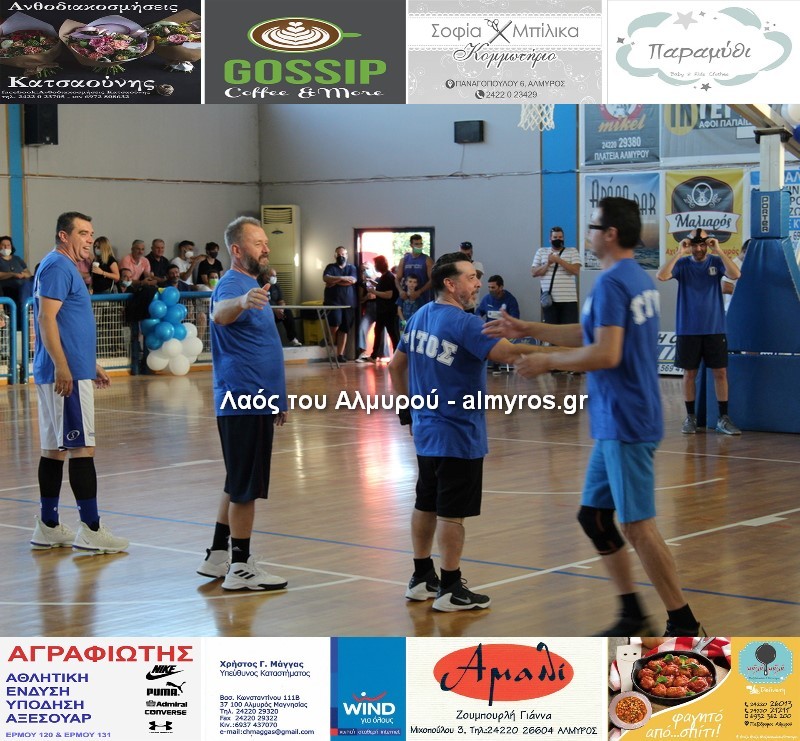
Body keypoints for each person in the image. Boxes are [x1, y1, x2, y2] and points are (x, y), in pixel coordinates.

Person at [484, 197, 703, 637]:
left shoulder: (613, 284)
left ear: (610, 234)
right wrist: (530, 329)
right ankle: (632, 615)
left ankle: (684, 625)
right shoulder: (632, 277)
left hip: (626, 419)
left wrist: (546, 361)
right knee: (595, 518)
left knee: (637, 525)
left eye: (593, 226)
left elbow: (605, 353)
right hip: (616, 420)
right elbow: (590, 332)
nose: (587, 233)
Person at [388, 252, 552, 612]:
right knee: (451, 514)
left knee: (425, 503)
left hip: (427, 431)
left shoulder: (419, 317)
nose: (478, 283)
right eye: (470, 277)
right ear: (450, 284)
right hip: (458, 433)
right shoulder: (466, 323)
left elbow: (395, 367)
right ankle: (450, 588)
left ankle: (421, 577)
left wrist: (407, 411)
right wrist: (566, 352)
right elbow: (509, 354)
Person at [195, 215, 288, 591]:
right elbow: (219, 313)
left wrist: (277, 398)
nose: (266, 248)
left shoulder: (253, 284)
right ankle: (241, 566)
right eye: (257, 243)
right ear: (237, 250)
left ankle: (218, 554)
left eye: (266, 242)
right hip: (243, 398)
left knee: (237, 480)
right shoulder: (233, 284)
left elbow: (264, 347)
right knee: (246, 488)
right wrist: (242, 301)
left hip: (257, 398)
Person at [30, 211, 128, 554]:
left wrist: (90, 363)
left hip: (70, 368)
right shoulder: (58, 266)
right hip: (65, 375)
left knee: (54, 450)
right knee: (81, 449)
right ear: (64, 235)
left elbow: (68, 324)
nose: (90, 239)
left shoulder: (63, 266)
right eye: (83, 233)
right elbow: (46, 319)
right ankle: (91, 529)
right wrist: (64, 367)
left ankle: (48, 526)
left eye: (91, 233)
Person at [657, 228, 742, 436]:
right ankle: (690, 417)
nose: (698, 249)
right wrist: (679, 252)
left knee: (720, 373)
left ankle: (723, 418)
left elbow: (735, 274)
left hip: (714, 328)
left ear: (708, 244)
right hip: (688, 328)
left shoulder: (716, 261)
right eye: (694, 245)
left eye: (702, 244)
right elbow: (662, 276)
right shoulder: (683, 264)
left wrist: (719, 250)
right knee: (689, 374)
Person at [531, 226, 582, 324]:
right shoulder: (541, 252)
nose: (558, 239)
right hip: (549, 300)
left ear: (563, 238)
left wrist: (559, 260)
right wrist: (548, 264)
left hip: (569, 300)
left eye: (560, 237)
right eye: (555, 237)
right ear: (550, 239)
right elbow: (533, 272)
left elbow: (576, 271)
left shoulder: (572, 251)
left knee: (568, 330)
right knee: (551, 329)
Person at [322, 246, 358, 363]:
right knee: (335, 324)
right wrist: (342, 278)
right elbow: (326, 278)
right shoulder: (330, 267)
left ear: (346, 255)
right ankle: (328, 339)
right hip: (333, 303)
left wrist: (335, 281)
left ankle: (340, 354)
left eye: (343, 254)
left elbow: (352, 281)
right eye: (338, 254)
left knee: (344, 329)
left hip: (348, 304)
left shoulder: (351, 268)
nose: (341, 256)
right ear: (335, 255)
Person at [366, 255, 399, 362]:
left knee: (393, 334)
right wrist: (374, 283)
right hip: (382, 311)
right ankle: (374, 355)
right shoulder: (384, 277)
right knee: (378, 332)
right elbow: (383, 287)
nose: (375, 266)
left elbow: (388, 294)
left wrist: (373, 291)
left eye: (376, 264)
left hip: (388, 311)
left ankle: (396, 357)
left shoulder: (389, 277)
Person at [261, 267, 302, 346]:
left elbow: (281, 301)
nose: (275, 278)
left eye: (275, 276)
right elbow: (262, 301)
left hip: (277, 312)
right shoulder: (258, 284)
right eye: (273, 276)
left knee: (287, 312)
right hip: (264, 312)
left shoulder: (276, 285)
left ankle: (292, 338)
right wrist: (274, 310)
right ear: (265, 276)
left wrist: (281, 309)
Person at [0, 235, 34, 328]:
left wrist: (23, 274)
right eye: (3, 245)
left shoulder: (17, 259)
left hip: (22, 287)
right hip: (6, 289)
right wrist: (12, 274)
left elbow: (28, 273)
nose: (6, 247)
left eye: (8, 245)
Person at [395, 234, 434, 306]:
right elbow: (397, 279)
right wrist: (401, 291)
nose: (419, 246)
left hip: (422, 298)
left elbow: (432, 280)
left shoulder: (427, 260)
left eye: (420, 244)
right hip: (407, 298)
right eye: (416, 244)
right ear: (411, 245)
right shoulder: (404, 260)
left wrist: (419, 292)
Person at [721, 239, 749, 312]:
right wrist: (748, 293)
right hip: (733, 309)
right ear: (744, 251)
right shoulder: (734, 265)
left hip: (744, 308)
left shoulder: (747, 264)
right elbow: (725, 287)